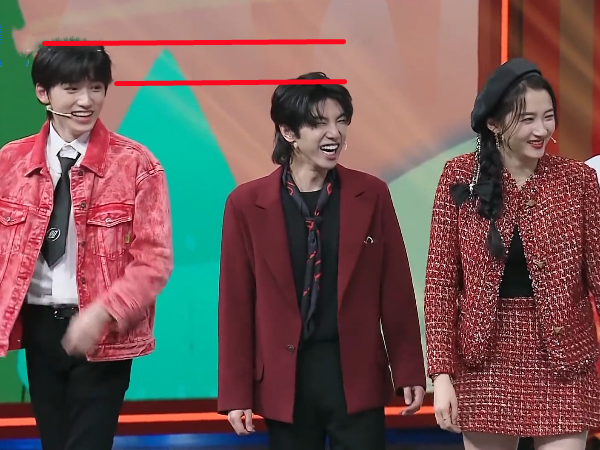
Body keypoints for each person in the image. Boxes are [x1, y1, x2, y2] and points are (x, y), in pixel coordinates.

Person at [217, 71, 426, 450]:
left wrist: (409, 368)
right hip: (285, 379)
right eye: (318, 124)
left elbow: (395, 288)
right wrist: (235, 391)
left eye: (341, 121)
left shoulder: (371, 194)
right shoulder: (246, 205)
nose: (335, 134)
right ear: (288, 132)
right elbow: (236, 305)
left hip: (355, 372)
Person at [0, 42, 174, 450]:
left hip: (104, 335)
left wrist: (103, 313)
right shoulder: (9, 162)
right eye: (72, 88)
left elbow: (154, 259)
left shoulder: (136, 164)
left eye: (96, 88)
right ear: (43, 92)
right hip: (39, 330)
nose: (86, 100)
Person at [424, 57, 600, 450]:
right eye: (527, 119)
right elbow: (440, 285)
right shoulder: (460, 177)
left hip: (566, 359)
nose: (541, 130)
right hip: (484, 360)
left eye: (548, 117)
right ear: (493, 123)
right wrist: (442, 375)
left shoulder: (578, 180)